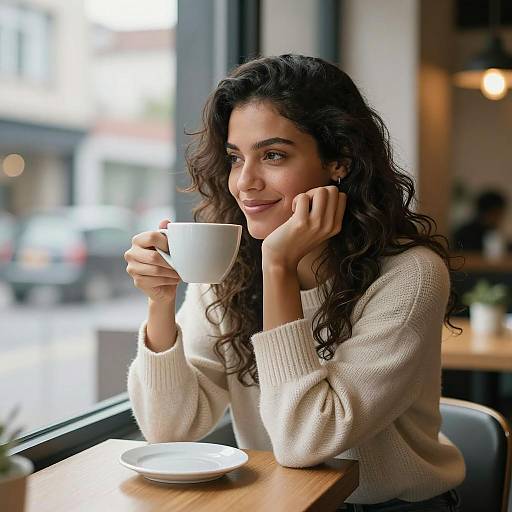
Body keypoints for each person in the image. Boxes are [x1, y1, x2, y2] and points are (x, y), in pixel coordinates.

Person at [124, 54, 464, 511]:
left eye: (273, 155)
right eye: (234, 157)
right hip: (281, 501)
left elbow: (305, 441)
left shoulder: (410, 274)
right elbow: (170, 429)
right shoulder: (231, 265)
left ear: (338, 161)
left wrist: (279, 267)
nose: (245, 182)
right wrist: (161, 304)